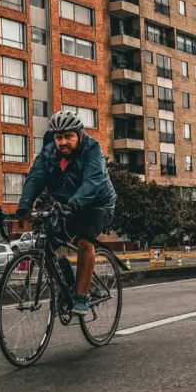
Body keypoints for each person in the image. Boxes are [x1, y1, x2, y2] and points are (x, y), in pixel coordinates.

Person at [16, 109, 116, 315]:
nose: (63, 142)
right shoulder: (48, 153)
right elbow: (35, 177)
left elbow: (92, 181)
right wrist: (25, 204)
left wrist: (73, 204)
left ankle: (81, 295)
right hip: (66, 204)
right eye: (59, 137)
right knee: (48, 244)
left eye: (68, 137)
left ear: (79, 135)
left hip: (98, 203)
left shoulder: (92, 149)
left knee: (84, 240)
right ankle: (67, 288)